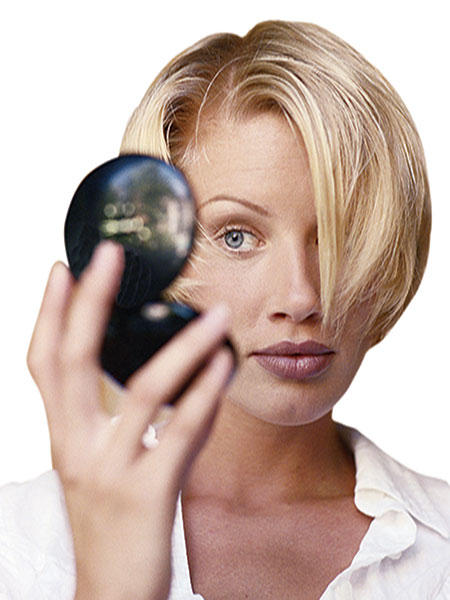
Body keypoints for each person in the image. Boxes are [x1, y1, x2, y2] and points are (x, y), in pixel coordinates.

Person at [1, 19, 449, 600]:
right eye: (237, 236)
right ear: (153, 252)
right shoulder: (20, 549)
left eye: (341, 236)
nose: (301, 297)